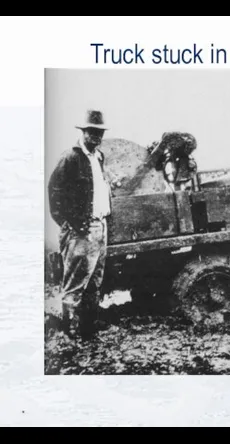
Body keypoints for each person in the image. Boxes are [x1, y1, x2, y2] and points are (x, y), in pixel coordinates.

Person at [48, 109, 112, 339]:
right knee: (75, 281)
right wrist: (72, 224)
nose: (96, 137)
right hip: (80, 230)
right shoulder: (71, 158)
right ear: (83, 132)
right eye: (92, 132)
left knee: (94, 279)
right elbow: (55, 194)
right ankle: (68, 331)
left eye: (99, 133)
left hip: (99, 226)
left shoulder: (99, 157)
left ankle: (88, 327)